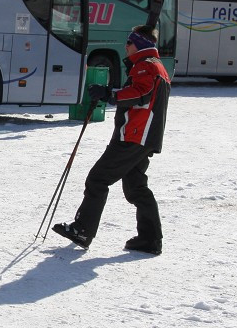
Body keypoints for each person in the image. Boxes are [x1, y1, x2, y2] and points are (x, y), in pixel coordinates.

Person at [52, 25, 170, 255]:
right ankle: (150, 239)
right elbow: (140, 93)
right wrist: (111, 93)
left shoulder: (147, 66)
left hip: (134, 136)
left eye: (129, 42)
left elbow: (140, 94)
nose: (126, 46)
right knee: (136, 187)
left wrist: (110, 94)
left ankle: (83, 230)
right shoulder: (153, 66)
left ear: (140, 44)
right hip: (142, 136)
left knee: (98, 179)